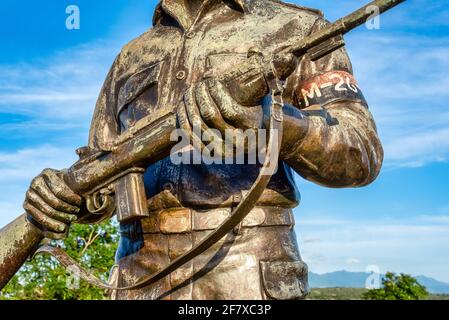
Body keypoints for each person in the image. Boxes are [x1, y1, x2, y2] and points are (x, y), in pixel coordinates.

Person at [23, 0, 383, 300]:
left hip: (247, 271)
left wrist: (272, 123)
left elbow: (360, 151)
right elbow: (100, 176)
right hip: (137, 276)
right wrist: (63, 195)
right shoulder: (131, 56)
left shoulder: (298, 28)